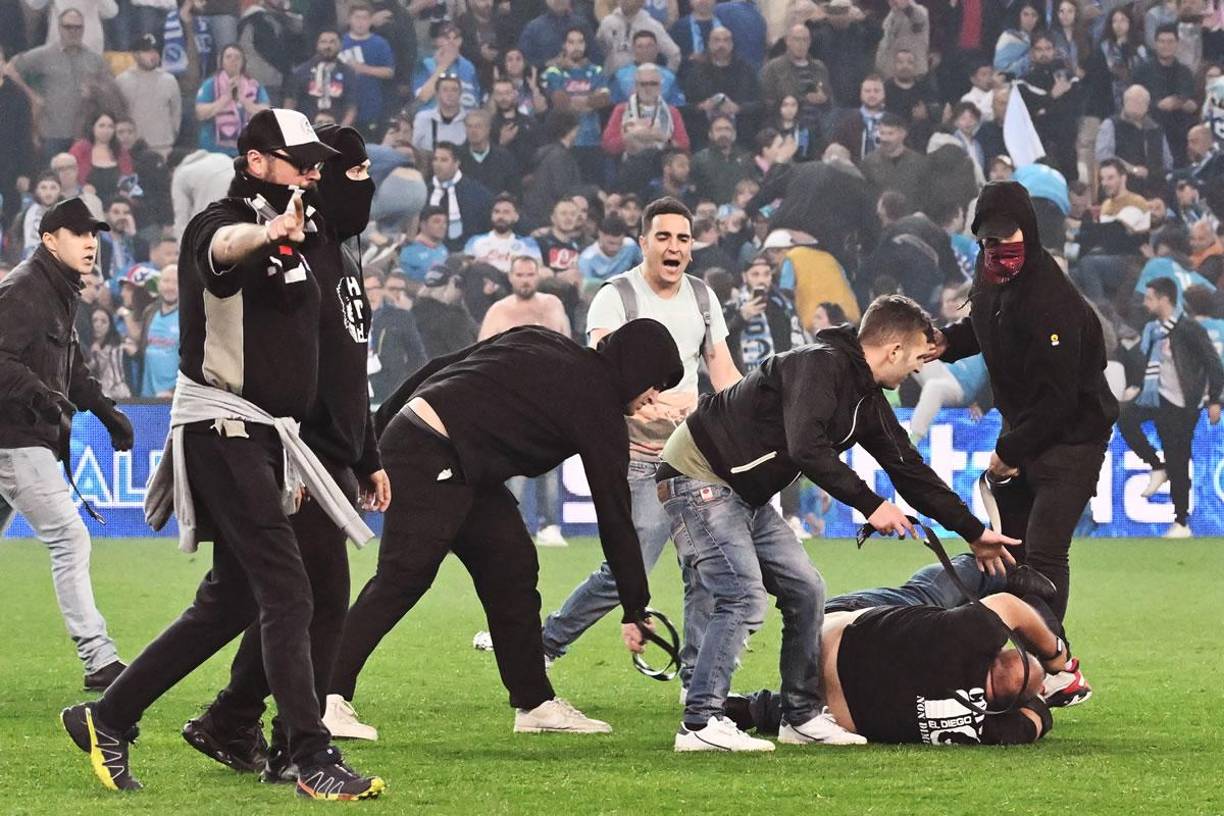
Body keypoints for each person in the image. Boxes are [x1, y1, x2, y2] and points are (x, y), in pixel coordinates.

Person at [60, 109, 385, 800]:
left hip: (270, 439)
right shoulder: (219, 223)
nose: (312, 169)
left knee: (230, 600)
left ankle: (107, 716)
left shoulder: (309, 228)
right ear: (257, 162)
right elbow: (227, 249)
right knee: (290, 590)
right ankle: (308, 753)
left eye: (316, 161)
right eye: (299, 159)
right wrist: (265, 232)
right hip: (224, 430)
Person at [656, 294, 1019, 751]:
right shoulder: (818, 364)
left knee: (807, 590)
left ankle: (800, 714)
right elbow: (807, 447)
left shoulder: (865, 396)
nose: (915, 372)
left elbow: (907, 467)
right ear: (893, 351)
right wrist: (872, 505)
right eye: (914, 361)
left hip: (743, 492)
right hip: (697, 474)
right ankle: (701, 722)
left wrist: (973, 531)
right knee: (742, 594)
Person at [323, 319, 684, 737]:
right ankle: (325, 698)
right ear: (636, 367)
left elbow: (440, 365)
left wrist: (378, 430)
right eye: (656, 382)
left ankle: (535, 704)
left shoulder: (541, 338)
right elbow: (615, 513)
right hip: (429, 450)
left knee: (512, 565)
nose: (654, 396)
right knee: (404, 577)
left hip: (455, 459)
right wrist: (635, 607)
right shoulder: (598, 404)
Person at [180, 124, 393, 780]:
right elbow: (306, 361)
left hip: (326, 446)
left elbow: (351, 365)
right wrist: (308, 451)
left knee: (274, 596)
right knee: (310, 596)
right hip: (297, 445)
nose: (365, 187)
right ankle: (287, 743)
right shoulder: (307, 247)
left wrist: (369, 451)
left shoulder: (342, 255)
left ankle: (232, 720)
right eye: (354, 174)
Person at [527, 197, 740, 684]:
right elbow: (605, 371)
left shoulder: (704, 297)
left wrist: (744, 415)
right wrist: (659, 405)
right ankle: (545, 644)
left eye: (683, 239)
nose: (673, 247)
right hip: (640, 458)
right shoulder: (616, 296)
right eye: (663, 237)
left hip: (694, 460)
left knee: (706, 572)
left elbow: (722, 371)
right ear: (642, 243)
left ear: (693, 247)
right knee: (627, 572)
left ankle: (696, 682)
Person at [929, 180, 1119, 631]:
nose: (998, 247)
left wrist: (1010, 451)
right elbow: (984, 323)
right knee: (1011, 548)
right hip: (1024, 426)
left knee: (1045, 550)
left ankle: (1052, 663)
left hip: (1074, 434)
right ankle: (1011, 655)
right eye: (989, 239)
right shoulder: (991, 270)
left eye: (1008, 236)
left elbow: (1060, 399)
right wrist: (944, 342)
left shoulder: (1049, 299)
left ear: (1028, 231)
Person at [0, 197, 133, 690]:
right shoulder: (25, 289)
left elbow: (72, 368)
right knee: (68, 536)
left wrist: (107, 412)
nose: (91, 243)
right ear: (49, 238)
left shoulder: (58, 291)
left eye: (94, 235)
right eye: (79, 234)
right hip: (14, 438)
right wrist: (40, 395)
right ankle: (99, 658)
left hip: (20, 435)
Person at [726, 591, 1069, 745]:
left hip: (822, 633)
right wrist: (1036, 697)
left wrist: (1055, 653)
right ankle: (756, 708)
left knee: (928, 591)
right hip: (818, 710)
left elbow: (1011, 604)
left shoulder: (969, 633)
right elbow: (1039, 720)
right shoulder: (987, 731)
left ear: (997, 651)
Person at [1118, 275, 1223, 538]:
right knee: (1123, 416)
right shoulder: (1152, 330)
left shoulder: (1188, 329)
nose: (1145, 302)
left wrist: (1214, 400)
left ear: (1165, 299)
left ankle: (1181, 521)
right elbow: (1145, 365)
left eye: (1150, 297)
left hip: (1183, 404)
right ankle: (1155, 464)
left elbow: (1213, 364)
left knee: (1178, 457)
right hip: (1156, 398)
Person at [194, 44, 272, 156]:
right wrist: (226, 98)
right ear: (221, 61)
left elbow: (266, 115)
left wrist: (243, 99)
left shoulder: (254, 85)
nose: (233, 61)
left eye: (237, 57)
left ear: (243, 62)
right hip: (213, 151)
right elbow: (200, 113)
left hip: (246, 151)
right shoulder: (210, 84)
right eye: (228, 57)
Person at [287, 29, 357, 126]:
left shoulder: (348, 73)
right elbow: (291, 102)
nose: (327, 46)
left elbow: (351, 108)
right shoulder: (302, 71)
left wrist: (342, 131)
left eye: (332, 42)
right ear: (317, 45)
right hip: (306, 128)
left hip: (336, 129)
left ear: (340, 45)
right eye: (323, 42)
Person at [464, 194, 542, 273]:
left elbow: (538, 271)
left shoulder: (528, 243)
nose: (500, 216)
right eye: (496, 212)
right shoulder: (474, 241)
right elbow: (465, 270)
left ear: (516, 217)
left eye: (506, 212)